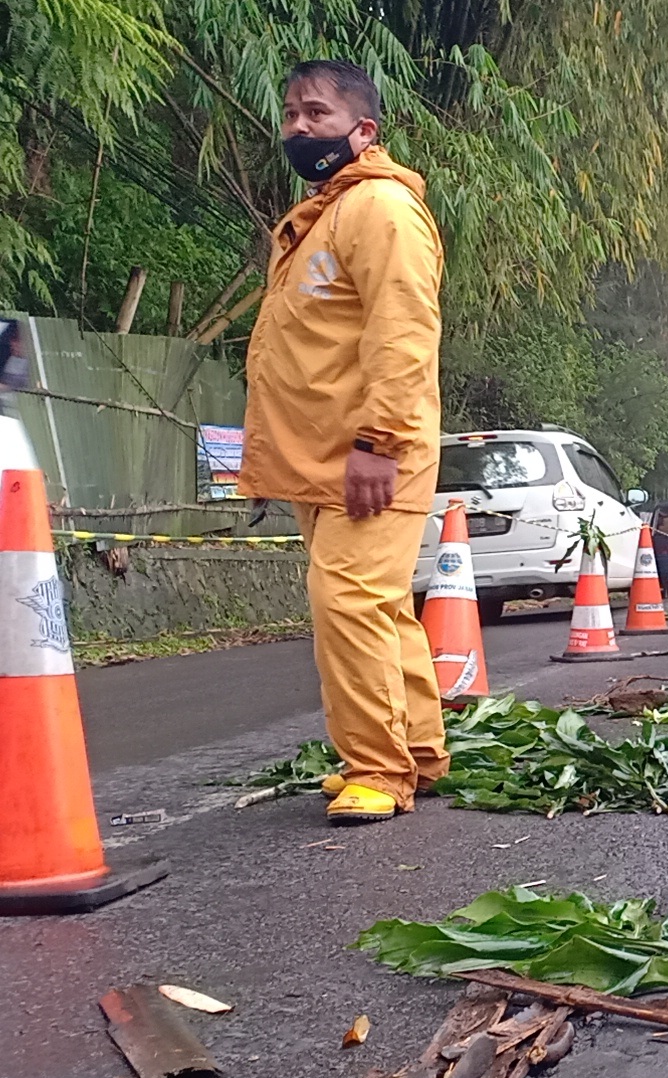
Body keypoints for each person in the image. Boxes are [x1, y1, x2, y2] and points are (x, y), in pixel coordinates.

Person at [238, 59, 449, 826]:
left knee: (348, 598)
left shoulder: (381, 211)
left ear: (364, 130)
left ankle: (378, 769)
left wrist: (377, 440)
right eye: (291, 114)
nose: (299, 127)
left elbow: (404, 335)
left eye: (316, 115)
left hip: (371, 452)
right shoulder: (322, 215)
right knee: (380, 606)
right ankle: (418, 754)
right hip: (324, 456)